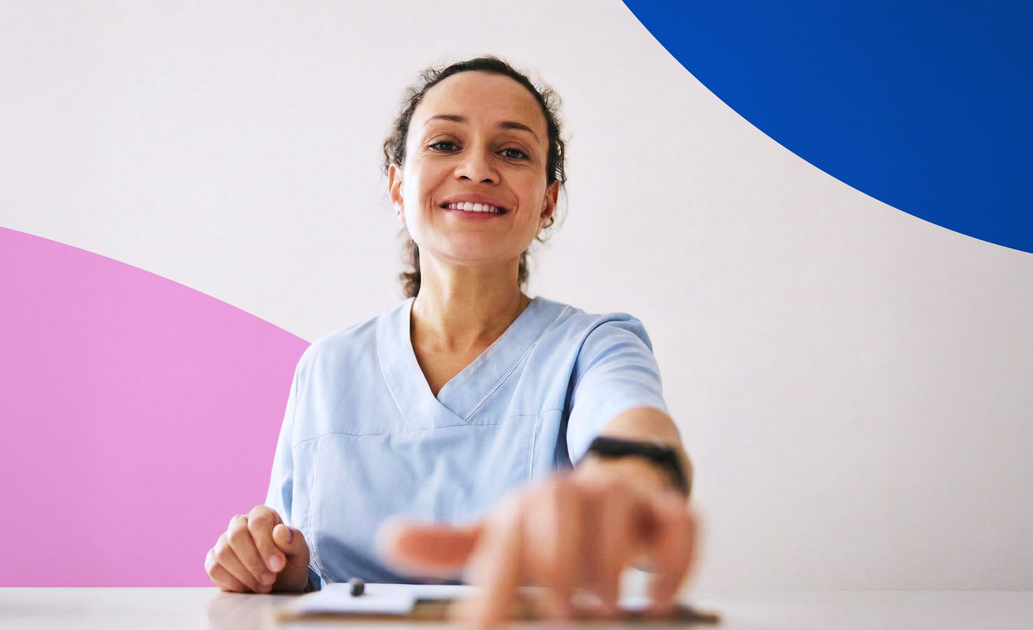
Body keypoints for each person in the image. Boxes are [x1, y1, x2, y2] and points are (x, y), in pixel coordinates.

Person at [204, 56, 698, 627]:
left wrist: (627, 480)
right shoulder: (327, 367)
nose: (477, 168)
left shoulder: (594, 347)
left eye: (512, 152)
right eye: (444, 144)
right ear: (396, 185)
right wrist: (274, 567)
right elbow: (301, 567)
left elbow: (637, 431)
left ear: (548, 202)